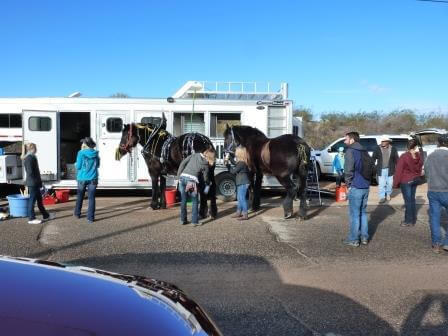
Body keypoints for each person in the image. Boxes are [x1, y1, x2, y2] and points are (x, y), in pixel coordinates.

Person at [343, 131, 371, 247]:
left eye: (346, 139)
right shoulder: (365, 151)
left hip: (355, 186)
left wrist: (348, 185)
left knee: (354, 214)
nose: (345, 141)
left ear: (352, 140)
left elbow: (348, 170)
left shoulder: (350, 151)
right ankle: (364, 237)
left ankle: (354, 239)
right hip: (365, 186)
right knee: (363, 213)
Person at [177, 148, 215, 226]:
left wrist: (179, 176)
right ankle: (194, 221)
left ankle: (183, 220)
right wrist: (208, 183)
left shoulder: (194, 155)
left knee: (183, 200)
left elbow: (183, 163)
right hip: (191, 181)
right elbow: (206, 178)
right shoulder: (205, 164)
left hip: (182, 178)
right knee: (195, 201)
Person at [424, 133, 448, 253]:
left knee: (434, 218)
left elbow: (426, 173)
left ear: (439, 143)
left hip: (433, 190)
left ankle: (436, 244)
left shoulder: (430, 156)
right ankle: (447, 243)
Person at [393, 138, 423, 227]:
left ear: (407, 146)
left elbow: (398, 171)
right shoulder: (418, 156)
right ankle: (413, 218)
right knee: (412, 200)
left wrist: (395, 184)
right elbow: (420, 167)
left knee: (408, 202)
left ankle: (408, 221)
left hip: (406, 181)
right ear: (415, 146)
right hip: (415, 179)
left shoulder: (404, 156)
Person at [22, 143, 53, 224]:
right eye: (35, 148)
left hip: (35, 182)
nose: (36, 149)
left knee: (39, 200)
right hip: (33, 183)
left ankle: (46, 215)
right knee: (32, 201)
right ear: (32, 148)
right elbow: (30, 172)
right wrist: (37, 181)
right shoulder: (29, 158)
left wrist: (39, 182)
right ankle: (31, 219)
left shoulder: (31, 157)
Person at [74, 137, 100, 223]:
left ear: (86, 145)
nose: (82, 145)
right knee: (91, 198)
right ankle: (90, 218)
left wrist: (75, 164)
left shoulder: (80, 153)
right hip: (93, 178)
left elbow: (78, 166)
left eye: (83, 143)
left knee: (80, 196)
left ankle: (77, 214)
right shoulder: (96, 153)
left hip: (82, 178)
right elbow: (98, 165)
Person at [372, 136, 399, 204]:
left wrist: (398, 167)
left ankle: (388, 194)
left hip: (390, 169)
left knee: (390, 184)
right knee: (382, 184)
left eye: (384, 141)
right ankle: (382, 197)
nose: (382, 142)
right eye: (382, 141)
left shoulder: (393, 149)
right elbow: (373, 158)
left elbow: (396, 159)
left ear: (388, 142)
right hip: (381, 170)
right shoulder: (377, 148)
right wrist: (372, 166)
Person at [228, 146, 250, 221]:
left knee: (242, 198)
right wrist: (230, 158)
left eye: (236, 152)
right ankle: (238, 213)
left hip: (243, 182)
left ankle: (245, 215)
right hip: (241, 182)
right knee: (240, 198)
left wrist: (228, 166)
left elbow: (233, 171)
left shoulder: (241, 163)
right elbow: (235, 163)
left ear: (239, 154)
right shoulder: (241, 162)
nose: (235, 153)